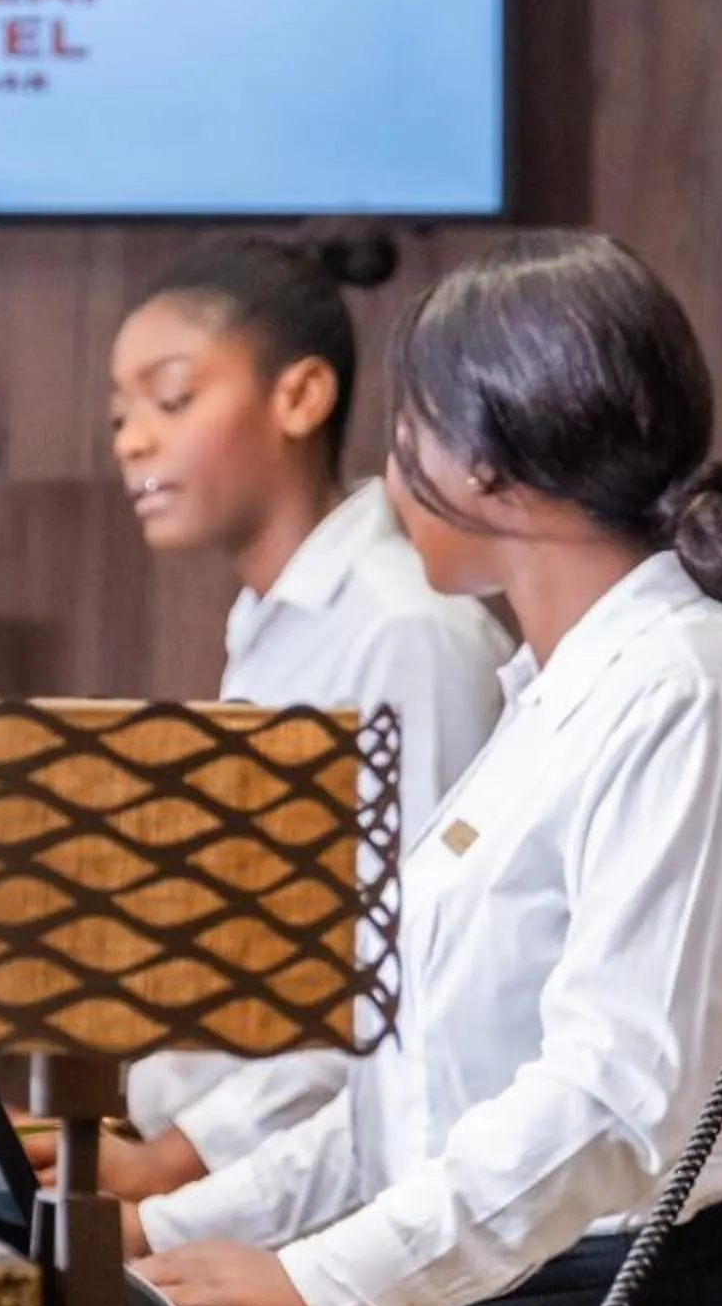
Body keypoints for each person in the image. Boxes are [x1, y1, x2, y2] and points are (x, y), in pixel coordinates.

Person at [128, 232, 722, 1306]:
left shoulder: (687, 694)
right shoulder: (560, 690)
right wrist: (167, 1226)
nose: (390, 481)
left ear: (487, 460)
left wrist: (316, 1282)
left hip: (643, 1305)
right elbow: (410, 1107)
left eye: (406, 435)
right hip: (520, 1275)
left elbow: (606, 1105)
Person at [93, 232, 513, 1199]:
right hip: (218, 1169)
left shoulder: (404, 629)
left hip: (328, 1200)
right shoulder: (277, 624)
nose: (132, 440)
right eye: (120, 415)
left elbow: (402, 984)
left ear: (301, 395)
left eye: (171, 398)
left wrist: (174, 1163)